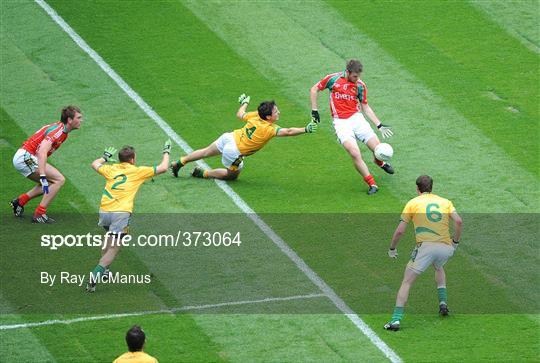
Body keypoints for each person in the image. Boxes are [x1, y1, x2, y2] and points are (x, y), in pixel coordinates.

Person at [86, 140, 171, 292]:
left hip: (104, 210)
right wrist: (166, 151)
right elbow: (164, 167)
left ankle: (105, 270)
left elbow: (94, 164)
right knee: (115, 247)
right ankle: (96, 273)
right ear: (132, 159)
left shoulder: (111, 169)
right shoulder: (137, 171)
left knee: (109, 237)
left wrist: (104, 157)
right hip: (121, 213)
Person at [170, 94, 318, 180]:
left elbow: (240, 114)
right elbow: (289, 132)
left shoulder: (255, 115)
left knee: (204, 152)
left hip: (229, 137)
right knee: (232, 176)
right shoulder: (269, 129)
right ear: (268, 116)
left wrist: (245, 103)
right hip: (234, 151)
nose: (279, 112)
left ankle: (180, 161)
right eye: (276, 112)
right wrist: (306, 129)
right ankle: (202, 173)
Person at [384, 175, 463, 331]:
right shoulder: (445, 202)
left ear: (417, 188)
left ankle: (395, 320)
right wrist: (455, 242)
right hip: (446, 248)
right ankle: (443, 303)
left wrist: (392, 248)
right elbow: (459, 221)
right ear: (432, 188)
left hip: (425, 247)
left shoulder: (413, 203)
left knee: (407, 281)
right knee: (439, 266)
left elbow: (400, 231)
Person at [310, 59, 394, 195]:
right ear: (347, 72)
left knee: (377, 148)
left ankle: (379, 163)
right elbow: (314, 89)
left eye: (359, 76)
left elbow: (365, 106)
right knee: (355, 153)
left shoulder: (360, 85)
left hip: (357, 119)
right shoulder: (332, 79)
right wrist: (314, 110)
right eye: (355, 76)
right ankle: (372, 184)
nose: (357, 79)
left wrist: (379, 125)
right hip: (341, 123)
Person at [10, 106, 83, 223]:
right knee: (59, 180)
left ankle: (19, 202)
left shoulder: (62, 131)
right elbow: (42, 151)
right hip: (26, 157)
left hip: (25, 156)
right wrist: (43, 175)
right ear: (69, 120)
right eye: (79, 118)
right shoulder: (58, 132)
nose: (81, 120)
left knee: (51, 183)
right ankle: (39, 214)